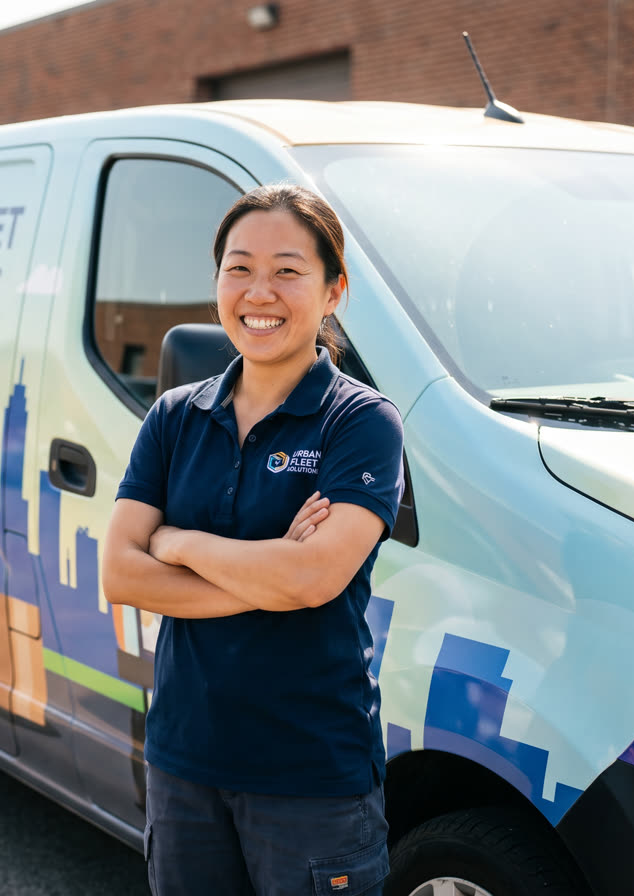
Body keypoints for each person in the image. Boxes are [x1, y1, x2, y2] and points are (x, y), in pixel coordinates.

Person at [102, 183, 405, 896]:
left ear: (334, 291)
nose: (258, 292)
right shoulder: (176, 416)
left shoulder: (360, 423)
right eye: (238, 268)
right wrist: (270, 575)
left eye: (287, 271)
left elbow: (313, 582)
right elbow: (120, 574)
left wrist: (176, 542)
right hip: (184, 762)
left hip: (310, 775)